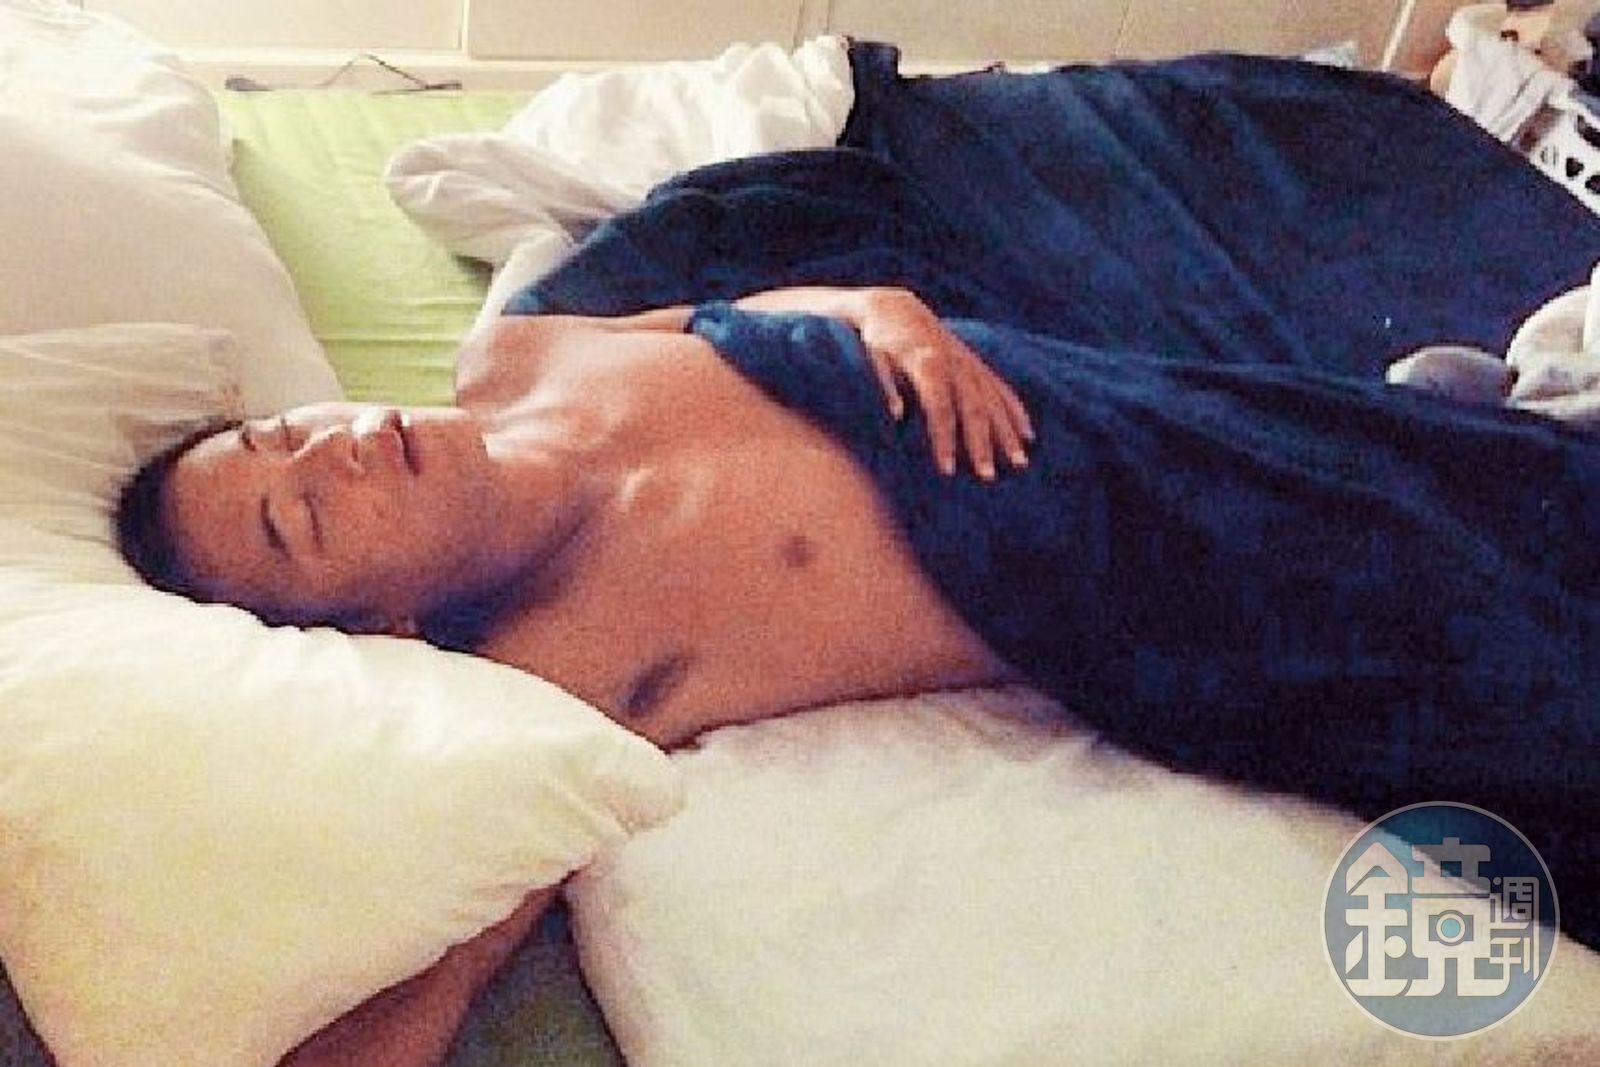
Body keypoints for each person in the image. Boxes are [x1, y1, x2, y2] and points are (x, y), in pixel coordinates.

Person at [116, 285, 1037, 1067]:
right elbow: (448, 972)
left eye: (283, 434)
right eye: (306, 516)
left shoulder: (514, 353)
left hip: (1027, 369)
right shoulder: (558, 668)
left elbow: (735, 313)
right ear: (379, 624)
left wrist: (885, 309)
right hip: (1079, 523)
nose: (334, 449)